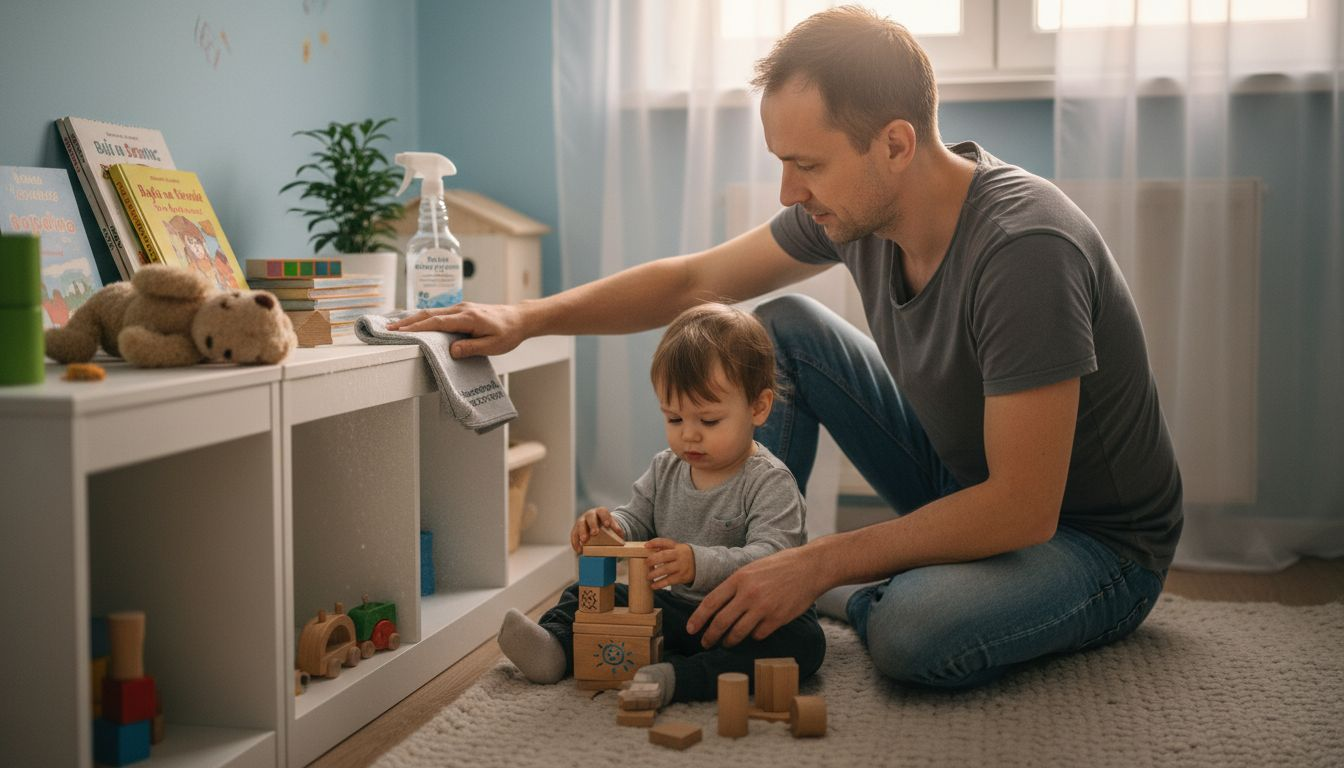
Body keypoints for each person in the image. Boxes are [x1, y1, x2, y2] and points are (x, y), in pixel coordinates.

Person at [393, 6, 1181, 690]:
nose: (788, 193)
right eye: (782, 165)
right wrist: (526, 316)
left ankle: (820, 589)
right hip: (960, 479)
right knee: (784, 328)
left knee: (912, 634)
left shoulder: (1024, 248)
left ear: (895, 144)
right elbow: (694, 280)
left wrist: (822, 564)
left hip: (1093, 541)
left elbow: (1023, 507)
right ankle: (747, 571)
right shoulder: (858, 211)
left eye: (807, 166)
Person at [495, 303, 824, 704]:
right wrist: (611, 526)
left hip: (747, 617)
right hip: (681, 610)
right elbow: (637, 518)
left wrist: (696, 563)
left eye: (709, 421)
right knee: (584, 594)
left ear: (758, 407)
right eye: (674, 419)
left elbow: (772, 559)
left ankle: (677, 677)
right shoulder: (666, 468)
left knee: (804, 643)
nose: (689, 436)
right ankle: (556, 648)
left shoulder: (770, 481)